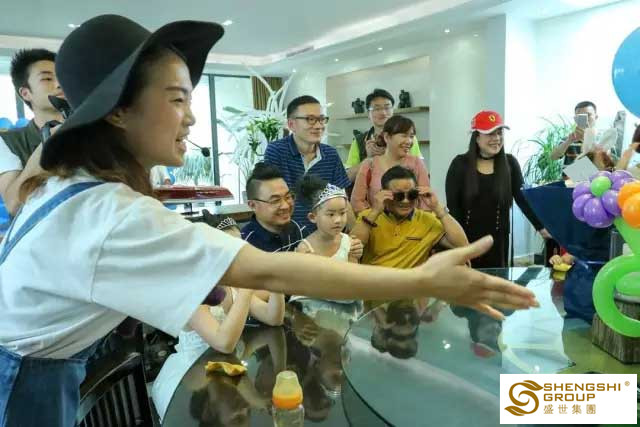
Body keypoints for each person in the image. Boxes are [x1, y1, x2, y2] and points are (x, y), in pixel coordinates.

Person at [0, 15, 538, 426]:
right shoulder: (110, 212)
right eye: (177, 98)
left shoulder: (72, 182)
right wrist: (423, 282)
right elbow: (269, 270)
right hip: (22, 378)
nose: (191, 115)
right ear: (119, 110)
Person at [151, 212, 284, 421]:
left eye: (240, 249)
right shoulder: (196, 291)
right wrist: (247, 289)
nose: (239, 258)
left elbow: (273, 318)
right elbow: (224, 343)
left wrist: (276, 280)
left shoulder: (232, 285)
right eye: (229, 251)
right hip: (197, 370)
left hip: (227, 367)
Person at [445, 111, 549, 269]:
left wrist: (541, 227)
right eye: (490, 134)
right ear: (476, 137)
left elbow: (523, 199)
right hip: (467, 240)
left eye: (499, 133)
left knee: (497, 280)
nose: (497, 139)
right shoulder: (460, 164)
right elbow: (454, 208)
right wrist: (459, 245)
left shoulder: (510, 163)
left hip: (498, 241)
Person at [264, 95, 352, 235]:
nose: (318, 126)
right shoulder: (276, 151)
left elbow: (341, 198)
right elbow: (273, 200)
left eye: (321, 119)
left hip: (324, 234)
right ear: (291, 124)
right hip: (286, 235)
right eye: (310, 119)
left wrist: (353, 234)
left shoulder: (330, 154)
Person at [352, 166, 468, 269]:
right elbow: (350, 248)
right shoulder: (368, 216)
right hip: (374, 282)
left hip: (410, 283)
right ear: (384, 195)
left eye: (412, 195)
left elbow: (463, 246)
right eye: (399, 195)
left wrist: (437, 208)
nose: (406, 201)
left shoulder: (427, 220)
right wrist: (375, 211)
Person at [0, 49, 64, 215]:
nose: (59, 84)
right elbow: (14, 204)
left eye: (62, 77)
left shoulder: (90, 132)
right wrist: (48, 145)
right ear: (26, 93)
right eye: (47, 78)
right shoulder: (8, 141)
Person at [350, 115, 430, 214]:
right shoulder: (369, 165)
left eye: (411, 136)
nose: (409, 141)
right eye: (404, 136)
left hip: (411, 222)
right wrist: (374, 217)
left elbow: (425, 201)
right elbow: (357, 202)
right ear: (387, 137)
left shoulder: (417, 163)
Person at [345, 88, 422, 182]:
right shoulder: (359, 141)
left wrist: (394, 154)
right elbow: (347, 178)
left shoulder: (408, 138)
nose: (383, 112)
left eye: (387, 107)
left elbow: (419, 173)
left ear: (393, 111)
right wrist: (369, 158)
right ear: (368, 114)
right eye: (377, 108)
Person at [296, 174, 362, 263]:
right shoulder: (305, 249)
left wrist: (353, 256)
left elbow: (353, 270)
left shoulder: (349, 243)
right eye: (331, 214)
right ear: (313, 217)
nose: (338, 220)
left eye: (342, 213)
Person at [241, 162, 304, 252]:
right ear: (253, 205)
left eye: (288, 197)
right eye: (275, 201)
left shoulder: (298, 229)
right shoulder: (244, 245)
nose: (285, 206)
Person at [550, 101, 598, 165]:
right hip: (572, 171)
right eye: (580, 116)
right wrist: (568, 141)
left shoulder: (604, 138)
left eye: (588, 115)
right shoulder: (568, 139)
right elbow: (553, 157)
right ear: (575, 119)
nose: (585, 118)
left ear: (596, 117)